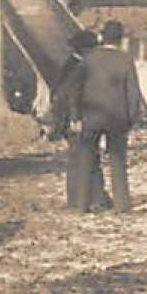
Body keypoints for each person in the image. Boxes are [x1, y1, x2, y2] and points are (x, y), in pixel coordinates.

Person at [71, 20, 147, 213]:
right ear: (120, 39)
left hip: (92, 116)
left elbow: (75, 90)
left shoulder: (89, 59)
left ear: (102, 37)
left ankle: (81, 205)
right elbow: (133, 92)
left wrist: (76, 117)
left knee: (86, 159)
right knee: (118, 161)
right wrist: (132, 118)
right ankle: (122, 205)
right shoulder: (125, 60)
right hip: (117, 118)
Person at [52, 29, 108, 211]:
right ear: (85, 49)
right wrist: (73, 119)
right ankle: (91, 198)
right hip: (78, 119)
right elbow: (67, 96)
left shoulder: (72, 64)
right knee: (85, 158)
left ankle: (81, 198)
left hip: (77, 119)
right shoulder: (78, 66)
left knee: (81, 158)